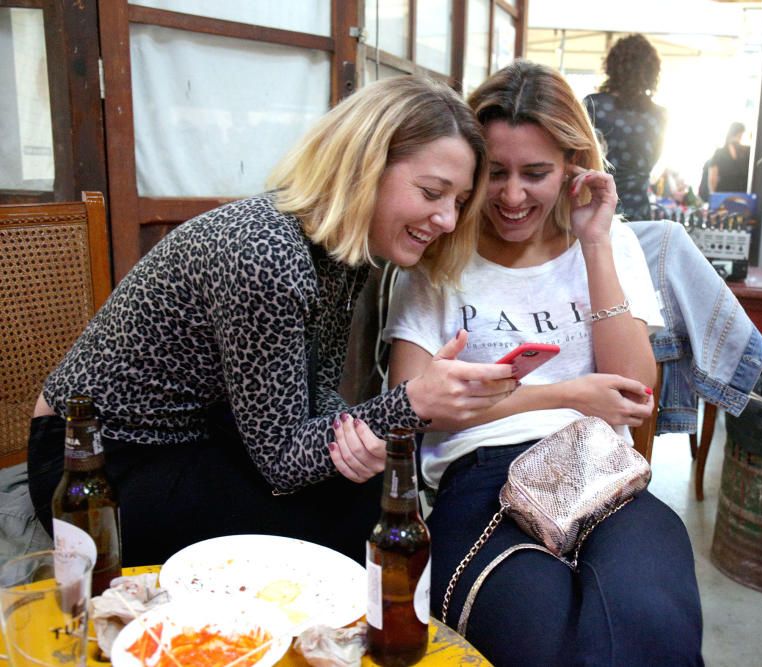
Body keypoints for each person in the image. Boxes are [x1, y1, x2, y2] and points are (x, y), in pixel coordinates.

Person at [26, 77, 517, 567]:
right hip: (94, 461)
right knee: (351, 518)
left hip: (203, 432)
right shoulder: (266, 254)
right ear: (363, 167)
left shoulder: (344, 248)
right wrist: (412, 402)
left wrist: (354, 436)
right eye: (433, 192)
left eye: (457, 202)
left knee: (364, 488)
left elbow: (313, 390)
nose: (448, 221)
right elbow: (284, 460)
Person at [382, 61, 704, 666]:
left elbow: (636, 391)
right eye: (495, 173)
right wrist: (569, 395)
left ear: (572, 167)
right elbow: (404, 407)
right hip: (481, 480)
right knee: (541, 635)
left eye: (536, 174)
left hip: (601, 473)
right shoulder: (441, 252)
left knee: (652, 621)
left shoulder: (610, 243)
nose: (511, 196)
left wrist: (596, 242)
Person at [584, 34, 667, 221]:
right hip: (638, 210)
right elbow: (651, 162)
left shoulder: (593, 105)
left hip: (595, 207)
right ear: (651, 71)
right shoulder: (659, 116)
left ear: (612, 66)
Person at [708, 122, 751, 194]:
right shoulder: (748, 151)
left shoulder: (719, 153)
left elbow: (713, 178)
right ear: (740, 134)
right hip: (743, 195)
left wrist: (713, 195)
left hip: (723, 195)